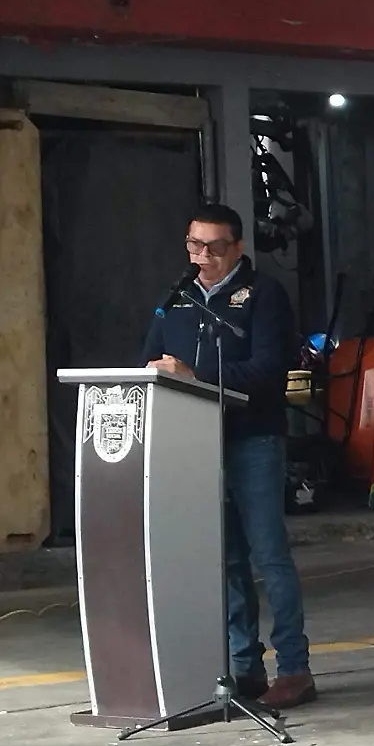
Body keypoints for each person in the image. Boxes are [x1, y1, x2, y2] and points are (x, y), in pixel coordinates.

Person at [142, 204, 313, 709]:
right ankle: (244, 666)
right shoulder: (178, 297)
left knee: (269, 556)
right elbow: (149, 357)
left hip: (252, 439)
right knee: (226, 559)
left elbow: (268, 371)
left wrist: (197, 375)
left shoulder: (264, 296)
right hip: (195, 443)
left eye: (215, 247)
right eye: (195, 246)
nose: (203, 257)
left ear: (238, 247)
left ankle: (294, 668)